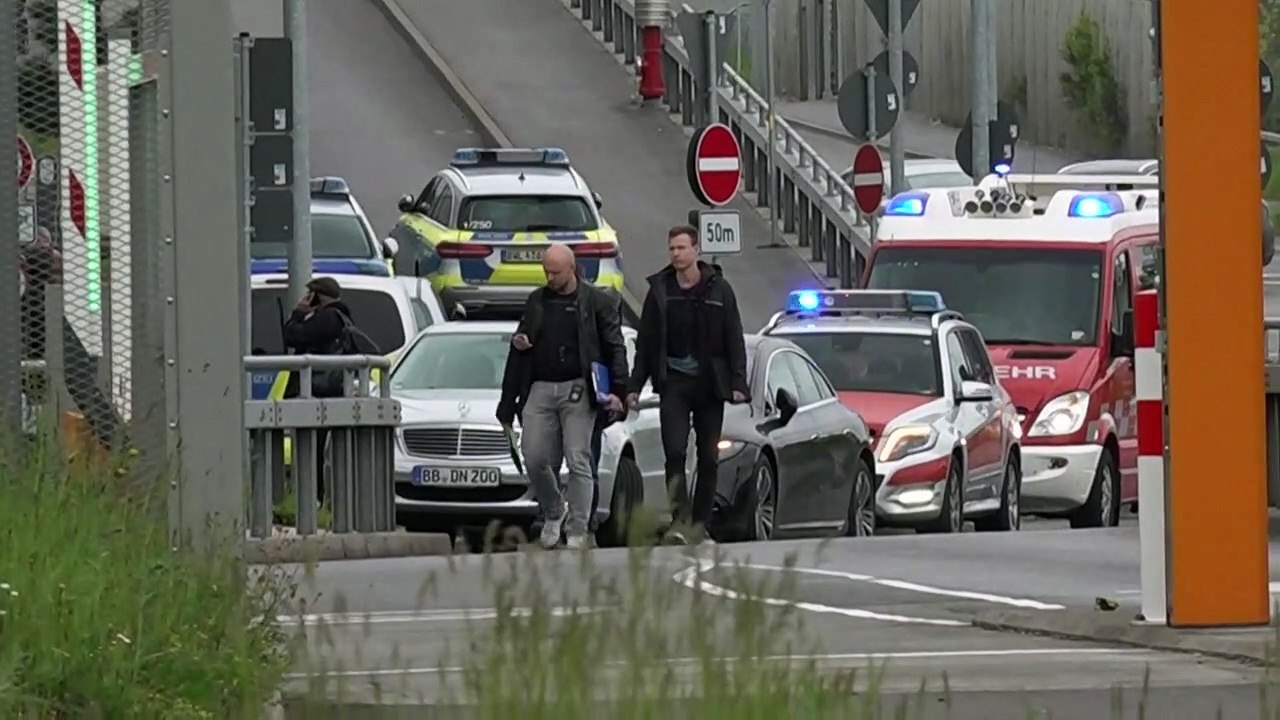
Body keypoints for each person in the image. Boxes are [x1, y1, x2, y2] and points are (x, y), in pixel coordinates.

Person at [496, 244, 629, 550]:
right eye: (546, 271)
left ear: (572, 268)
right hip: (540, 386)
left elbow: (614, 346)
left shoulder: (596, 301)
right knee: (535, 457)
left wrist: (619, 391)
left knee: (578, 457)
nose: (550, 277)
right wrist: (508, 400)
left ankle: (579, 528)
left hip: (578, 388)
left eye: (555, 271)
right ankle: (554, 509)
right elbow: (517, 354)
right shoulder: (537, 301)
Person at [627, 225, 748, 545]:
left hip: (710, 384)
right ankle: (679, 521)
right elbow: (646, 343)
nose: (676, 254)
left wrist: (738, 381)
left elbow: (733, 337)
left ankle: (700, 524)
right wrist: (634, 387)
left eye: (682, 248)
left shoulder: (719, 290)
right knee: (675, 451)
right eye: (672, 249)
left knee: (708, 456)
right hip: (674, 383)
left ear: (696, 250)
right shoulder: (661, 291)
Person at [283, 276, 354, 505]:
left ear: (317, 295)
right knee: (319, 450)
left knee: (314, 450)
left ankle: (315, 500)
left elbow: (294, 336)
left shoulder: (328, 317)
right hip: (328, 390)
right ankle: (317, 499)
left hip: (318, 390)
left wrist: (297, 314)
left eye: (309, 294)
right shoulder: (339, 316)